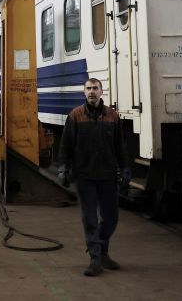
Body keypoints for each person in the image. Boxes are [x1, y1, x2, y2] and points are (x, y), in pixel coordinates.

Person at [57, 78, 130, 277]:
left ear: (101, 91)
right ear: (84, 92)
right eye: (88, 88)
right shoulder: (75, 116)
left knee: (111, 218)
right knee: (89, 218)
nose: (92, 92)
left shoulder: (112, 117)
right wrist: (64, 168)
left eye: (95, 88)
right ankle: (96, 258)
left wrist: (125, 168)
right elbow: (66, 146)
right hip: (85, 176)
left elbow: (120, 146)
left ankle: (102, 250)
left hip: (107, 175)